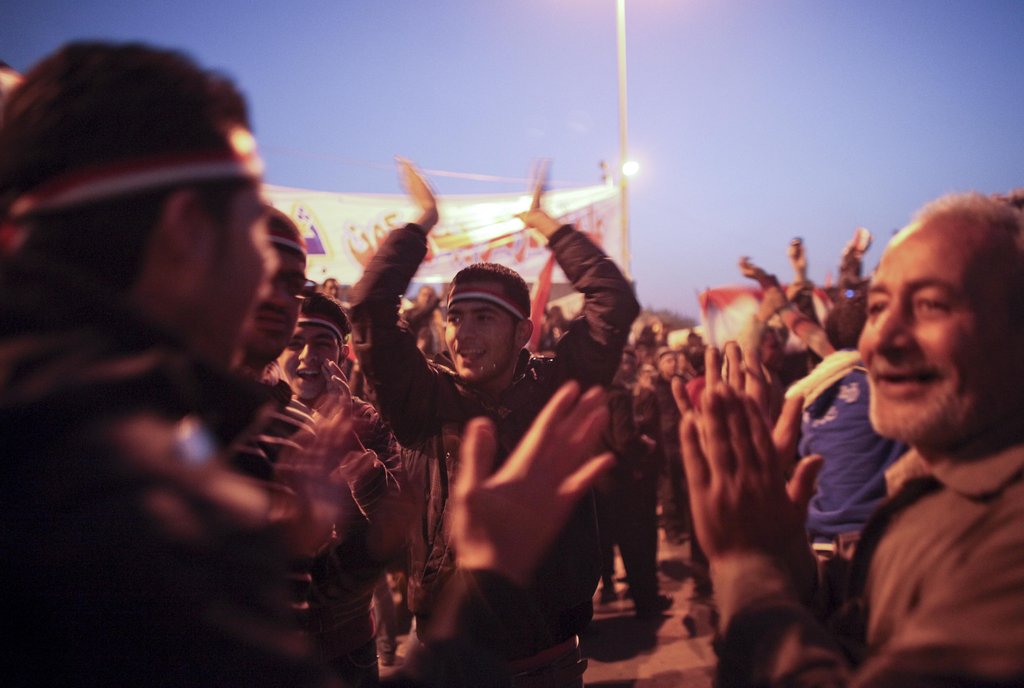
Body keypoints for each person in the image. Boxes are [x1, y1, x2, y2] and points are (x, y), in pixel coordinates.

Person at [0, 41, 330, 687]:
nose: (266, 279)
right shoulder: (150, 519)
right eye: (254, 235)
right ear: (186, 230)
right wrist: (486, 588)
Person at [681, 191, 1024, 686]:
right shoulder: (926, 492)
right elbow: (855, 632)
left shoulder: (1007, 537)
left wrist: (746, 569)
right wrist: (783, 552)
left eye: (930, 305)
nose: (881, 338)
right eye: (878, 307)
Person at [349, 159, 639, 686]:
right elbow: (369, 306)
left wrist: (547, 226)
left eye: (483, 318)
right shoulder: (425, 397)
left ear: (523, 332)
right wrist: (422, 222)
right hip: (446, 663)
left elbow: (613, 301)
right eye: (455, 318)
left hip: (550, 661)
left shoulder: (559, 387)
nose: (463, 334)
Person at [280, 293, 405, 687]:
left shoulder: (367, 421)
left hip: (346, 643)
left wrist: (347, 437)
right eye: (295, 342)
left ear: (343, 353)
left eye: (322, 343)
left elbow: (394, 524)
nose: (307, 356)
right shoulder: (257, 418)